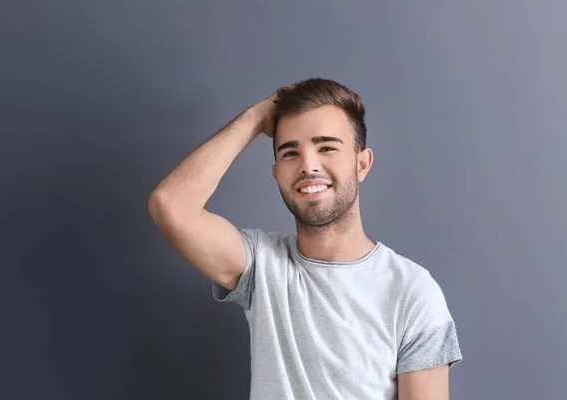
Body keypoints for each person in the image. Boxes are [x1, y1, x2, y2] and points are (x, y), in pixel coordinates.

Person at [148, 78, 462, 399]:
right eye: (290, 153)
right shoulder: (261, 267)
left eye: (326, 147)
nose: (308, 166)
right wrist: (255, 118)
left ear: (362, 164)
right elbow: (170, 204)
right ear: (276, 174)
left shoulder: (412, 292)